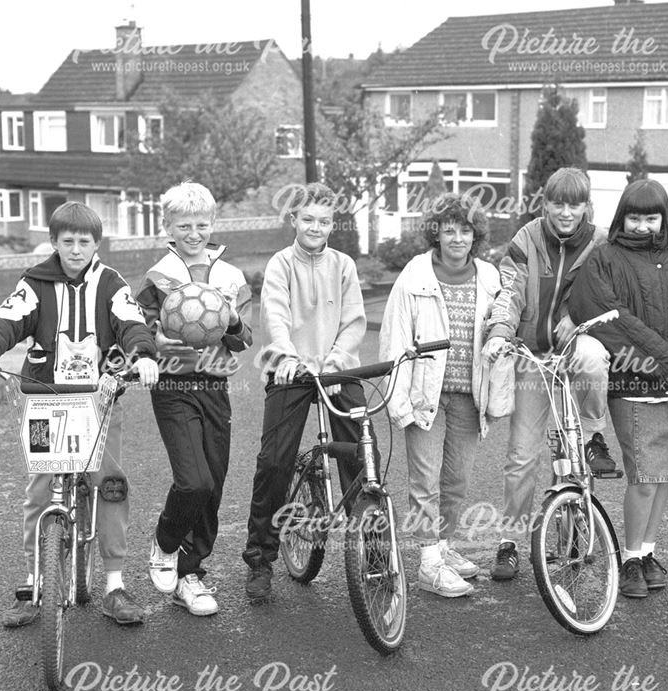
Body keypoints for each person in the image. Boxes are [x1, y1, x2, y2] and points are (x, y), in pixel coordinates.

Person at [0, 201, 160, 627]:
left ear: (96, 244)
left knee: (110, 485)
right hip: (45, 398)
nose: (75, 249)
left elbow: (131, 322)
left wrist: (142, 354)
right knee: (40, 489)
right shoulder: (34, 283)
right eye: (66, 241)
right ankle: (33, 584)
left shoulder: (111, 284)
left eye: (84, 241)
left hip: (99, 399)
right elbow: (6, 321)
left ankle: (114, 585)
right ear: (53, 242)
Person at [568, 178, 668, 599]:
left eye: (652, 217)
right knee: (643, 478)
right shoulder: (603, 260)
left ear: (665, 218)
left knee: (665, 478)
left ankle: (647, 552)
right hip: (633, 386)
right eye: (635, 217)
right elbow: (606, 317)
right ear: (622, 217)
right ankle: (627, 560)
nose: (643, 226)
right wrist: (665, 358)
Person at [481, 167, 616, 581]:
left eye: (574, 204)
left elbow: (610, 295)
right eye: (558, 202)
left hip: (574, 355)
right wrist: (500, 333)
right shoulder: (527, 239)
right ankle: (509, 542)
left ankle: (593, 437)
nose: (565, 212)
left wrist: (576, 316)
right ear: (546, 204)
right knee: (522, 455)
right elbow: (510, 291)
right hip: (533, 359)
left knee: (573, 448)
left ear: (586, 206)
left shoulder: (600, 242)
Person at [379, 193, 514, 597]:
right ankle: (428, 564)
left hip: (468, 397)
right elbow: (394, 336)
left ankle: (444, 546)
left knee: (457, 479)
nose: (457, 238)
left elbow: (503, 322)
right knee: (425, 481)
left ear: (477, 235)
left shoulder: (490, 277)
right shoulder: (415, 275)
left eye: (466, 230)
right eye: (449, 230)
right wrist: (395, 398)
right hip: (426, 396)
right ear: (435, 234)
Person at [244, 182, 370, 603]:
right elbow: (275, 317)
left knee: (360, 451)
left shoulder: (344, 265)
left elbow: (354, 321)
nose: (316, 227)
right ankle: (261, 557)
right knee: (274, 462)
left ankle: (369, 549)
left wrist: (335, 360)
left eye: (325, 220)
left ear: (333, 224)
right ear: (294, 220)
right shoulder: (280, 265)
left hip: (336, 368)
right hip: (291, 370)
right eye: (308, 219)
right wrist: (290, 359)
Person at [137, 182, 252, 617]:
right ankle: (165, 544)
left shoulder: (232, 277)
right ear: (167, 226)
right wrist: (158, 336)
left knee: (214, 485)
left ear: (213, 224)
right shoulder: (156, 277)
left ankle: (191, 574)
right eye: (183, 225)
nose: (193, 233)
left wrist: (234, 319)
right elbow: (139, 330)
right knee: (193, 481)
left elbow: (243, 341)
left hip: (215, 387)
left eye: (201, 224)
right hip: (172, 386)